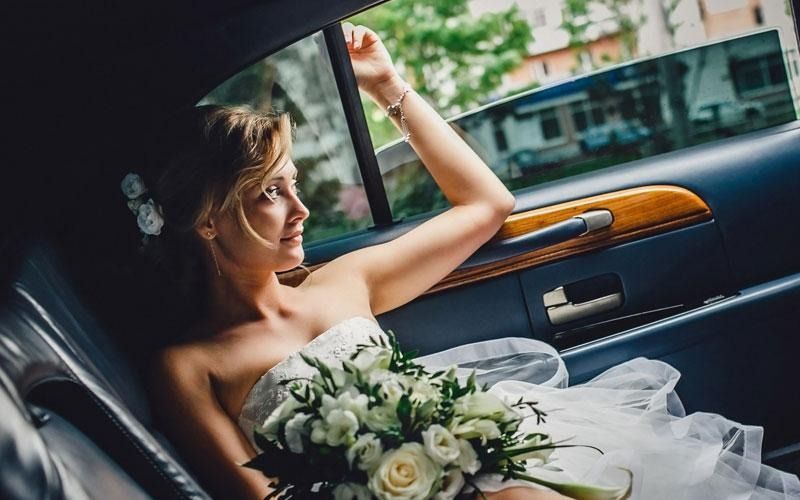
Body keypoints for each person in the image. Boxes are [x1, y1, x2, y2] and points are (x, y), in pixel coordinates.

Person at [135, 24, 800, 500]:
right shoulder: (190, 368)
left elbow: (487, 204)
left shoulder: (342, 283)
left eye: (297, 184)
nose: (300, 210)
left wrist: (389, 89)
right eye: (272, 193)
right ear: (207, 220)